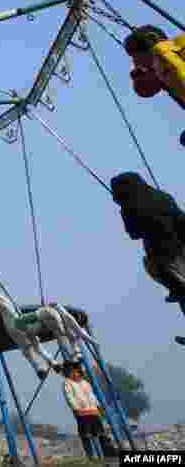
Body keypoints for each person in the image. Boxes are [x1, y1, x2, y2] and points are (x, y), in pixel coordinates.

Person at [110, 172, 185, 344]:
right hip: (182, 247)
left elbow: (134, 234)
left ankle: (176, 290)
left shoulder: (130, 207)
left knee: (180, 290)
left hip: (165, 257)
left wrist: (126, 211)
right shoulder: (163, 196)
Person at [62, 362, 104, 458]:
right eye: (72, 372)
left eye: (76, 372)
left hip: (93, 411)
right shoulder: (67, 383)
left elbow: (92, 395)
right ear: (68, 373)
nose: (75, 374)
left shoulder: (85, 383)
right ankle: (91, 456)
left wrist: (98, 405)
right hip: (81, 413)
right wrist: (76, 408)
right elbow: (69, 397)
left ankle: (106, 454)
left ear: (80, 372)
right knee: (86, 435)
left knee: (100, 433)